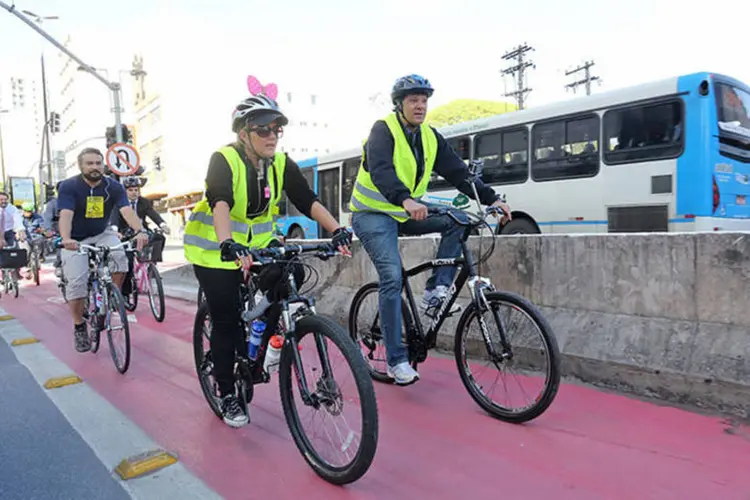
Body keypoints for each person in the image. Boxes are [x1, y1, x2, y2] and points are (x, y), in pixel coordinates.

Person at [184, 93, 352, 428]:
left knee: (293, 274)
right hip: (214, 250)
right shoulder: (224, 159)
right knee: (227, 319)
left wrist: (336, 230)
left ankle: (262, 330)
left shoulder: (281, 163)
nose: (272, 135)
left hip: (259, 244)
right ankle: (227, 390)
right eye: (263, 129)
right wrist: (227, 243)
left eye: (277, 128)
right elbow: (220, 202)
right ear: (243, 133)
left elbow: (306, 199)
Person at [349, 74, 511, 386]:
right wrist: (406, 199)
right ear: (400, 104)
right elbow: (381, 170)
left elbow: (459, 173)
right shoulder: (383, 130)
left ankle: (437, 290)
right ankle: (396, 361)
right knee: (392, 278)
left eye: (424, 100)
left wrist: (493, 198)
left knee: (457, 219)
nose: (420, 106)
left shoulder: (429, 137)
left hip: (404, 209)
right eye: (413, 100)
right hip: (372, 214)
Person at [57, 147, 149, 353]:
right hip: (75, 238)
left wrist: (140, 231)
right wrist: (66, 239)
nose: (95, 167)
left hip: (102, 233)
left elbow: (126, 211)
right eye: (89, 163)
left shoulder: (113, 187)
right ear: (81, 166)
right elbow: (65, 214)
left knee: (120, 257)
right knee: (77, 285)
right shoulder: (69, 186)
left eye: (98, 163)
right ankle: (79, 325)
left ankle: (109, 298)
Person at [19, 201, 45, 280]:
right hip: (26, 238)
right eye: (26, 211)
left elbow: (42, 225)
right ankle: (27, 267)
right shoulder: (19, 218)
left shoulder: (38, 217)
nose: (28, 213)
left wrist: (42, 230)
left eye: (30, 211)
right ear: (23, 211)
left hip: (36, 236)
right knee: (26, 251)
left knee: (42, 241)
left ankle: (41, 256)